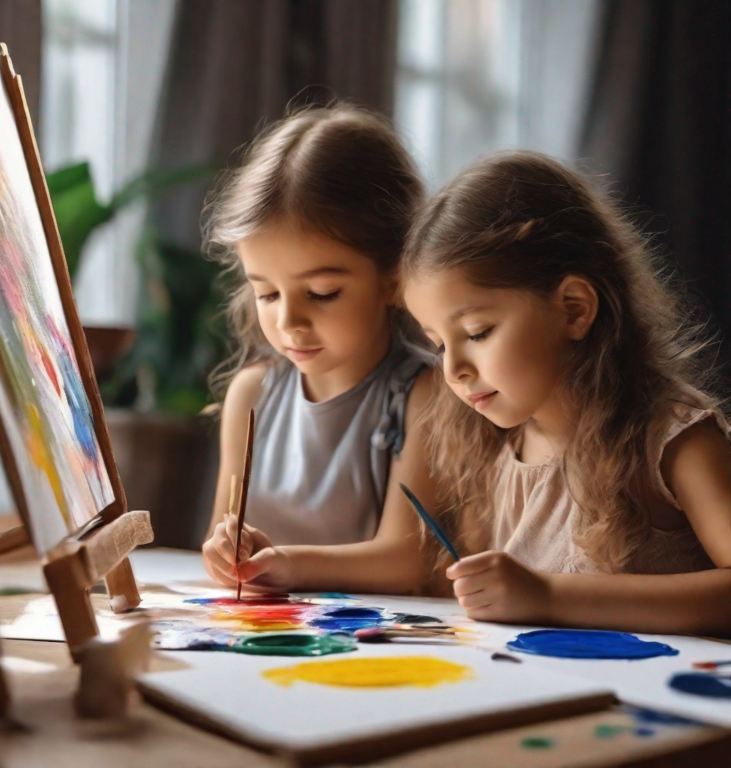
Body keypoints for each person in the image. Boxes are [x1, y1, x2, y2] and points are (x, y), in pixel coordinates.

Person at [400, 150, 731, 635]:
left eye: (477, 332)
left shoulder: (673, 438)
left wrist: (549, 595)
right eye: (437, 344)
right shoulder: (495, 447)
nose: (454, 370)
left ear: (574, 309)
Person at [201, 104, 435, 594]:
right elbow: (221, 540)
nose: (288, 322)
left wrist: (285, 564)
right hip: (269, 639)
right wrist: (224, 554)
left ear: (394, 278)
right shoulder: (251, 397)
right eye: (266, 293)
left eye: (322, 293)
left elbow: (406, 562)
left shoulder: (426, 396)